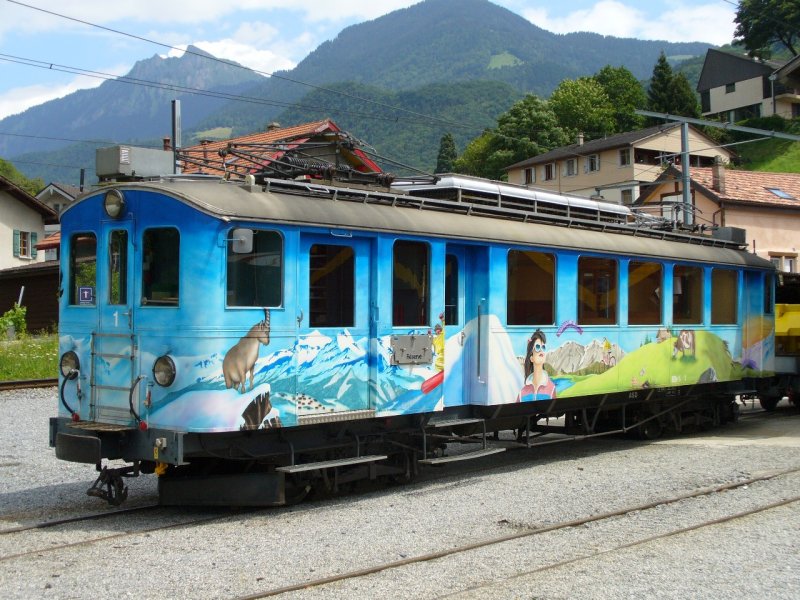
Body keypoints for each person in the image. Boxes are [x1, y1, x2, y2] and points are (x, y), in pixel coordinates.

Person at [517, 329, 556, 401]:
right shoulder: (522, 393)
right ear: (531, 358)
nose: (541, 350)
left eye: (543, 347)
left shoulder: (551, 389)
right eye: (538, 347)